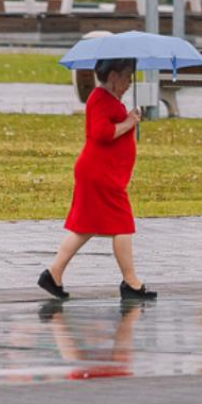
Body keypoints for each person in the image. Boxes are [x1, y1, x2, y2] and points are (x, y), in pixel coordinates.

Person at [38, 57, 157, 301]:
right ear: (113, 76)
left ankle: (54, 273)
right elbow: (101, 133)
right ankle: (131, 282)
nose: (129, 83)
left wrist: (129, 118)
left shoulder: (108, 99)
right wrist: (128, 121)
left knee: (86, 227)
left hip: (103, 172)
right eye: (127, 77)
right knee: (122, 224)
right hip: (100, 173)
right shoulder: (100, 98)